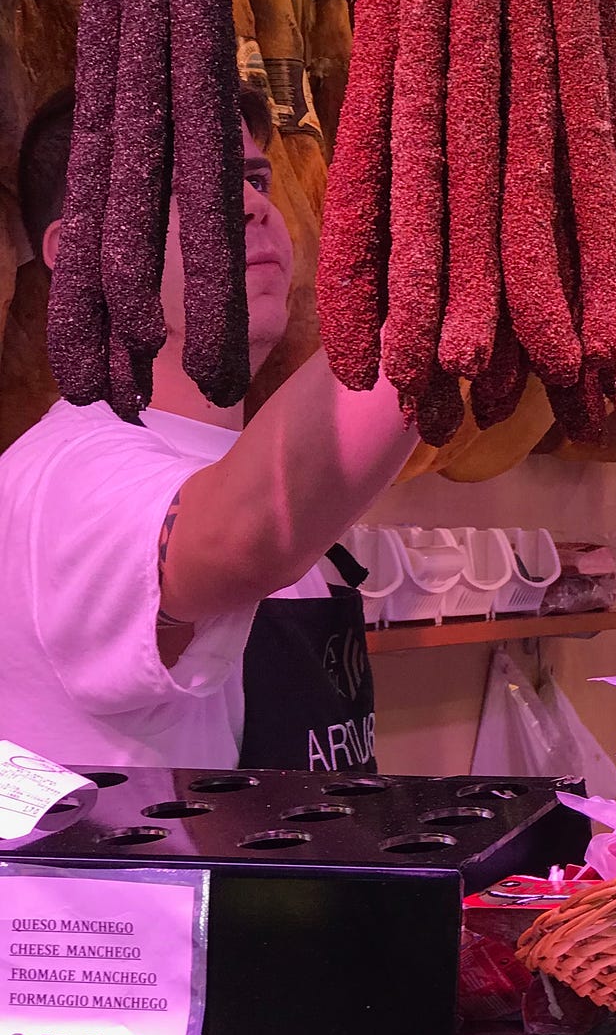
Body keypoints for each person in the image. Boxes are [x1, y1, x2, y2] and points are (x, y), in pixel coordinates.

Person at [0, 86, 418, 771]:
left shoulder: (241, 468)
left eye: (255, 179)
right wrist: (441, 277)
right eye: (194, 187)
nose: (255, 205)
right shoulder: (67, 477)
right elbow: (254, 529)